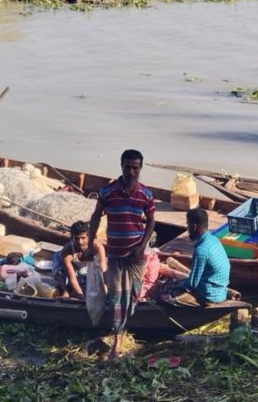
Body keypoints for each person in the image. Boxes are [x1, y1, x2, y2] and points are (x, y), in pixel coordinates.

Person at [86, 149, 156, 360]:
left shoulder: (145, 194)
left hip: (136, 256)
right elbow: (96, 217)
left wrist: (141, 247)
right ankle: (118, 340)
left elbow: (151, 221)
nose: (132, 171)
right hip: (115, 255)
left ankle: (125, 325)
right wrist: (90, 245)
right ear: (121, 166)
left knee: (134, 294)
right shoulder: (107, 192)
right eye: (128, 167)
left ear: (140, 168)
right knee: (116, 296)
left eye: (136, 168)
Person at [166, 208, 230, 306]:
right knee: (181, 281)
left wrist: (175, 286)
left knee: (166, 296)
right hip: (222, 292)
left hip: (209, 296)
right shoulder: (214, 240)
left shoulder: (201, 250)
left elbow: (191, 284)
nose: (188, 229)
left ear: (194, 226)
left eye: (188, 225)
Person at [53, 220, 107, 299]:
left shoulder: (97, 247)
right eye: (77, 238)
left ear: (88, 237)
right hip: (74, 268)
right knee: (57, 259)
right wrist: (81, 296)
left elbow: (103, 269)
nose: (80, 242)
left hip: (88, 268)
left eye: (83, 238)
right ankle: (65, 291)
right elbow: (72, 279)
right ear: (72, 238)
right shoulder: (67, 251)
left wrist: (104, 290)